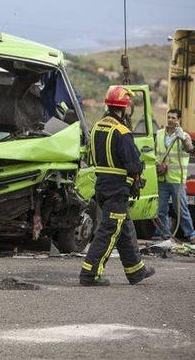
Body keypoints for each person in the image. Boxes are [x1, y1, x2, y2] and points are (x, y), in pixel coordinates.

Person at [79, 85, 155, 286]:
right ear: (125, 108)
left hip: (102, 187)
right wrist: (140, 167)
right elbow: (133, 164)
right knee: (109, 231)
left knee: (125, 228)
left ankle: (136, 270)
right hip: (117, 189)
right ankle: (90, 274)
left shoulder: (96, 126)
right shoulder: (122, 131)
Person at [154, 109, 195, 243]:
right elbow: (154, 152)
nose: (170, 120)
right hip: (162, 178)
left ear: (179, 120)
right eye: (169, 117)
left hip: (176, 179)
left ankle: (191, 234)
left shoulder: (183, 135)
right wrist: (157, 165)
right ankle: (166, 236)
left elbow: (190, 149)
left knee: (181, 210)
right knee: (160, 210)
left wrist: (183, 138)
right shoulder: (159, 134)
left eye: (173, 118)